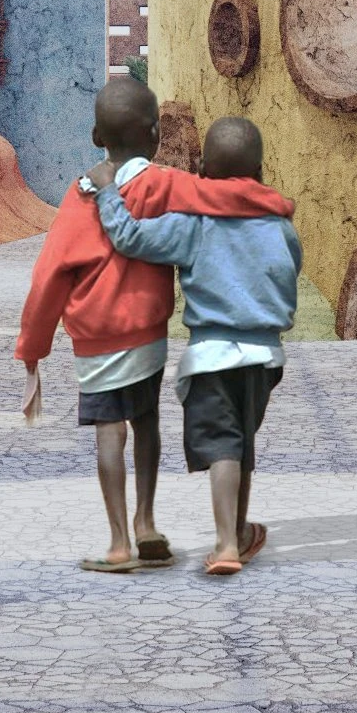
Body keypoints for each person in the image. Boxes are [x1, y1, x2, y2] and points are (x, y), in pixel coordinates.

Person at [94, 116, 301, 577]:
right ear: (260, 171)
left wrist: (108, 192)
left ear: (203, 168)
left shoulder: (195, 223)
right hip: (265, 357)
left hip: (212, 356)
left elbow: (129, 238)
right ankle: (242, 532)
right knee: (242, 443)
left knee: (224, 447)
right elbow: (289, 270)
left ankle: (226, 543)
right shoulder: (279, 225)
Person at [15, 79, 179, 572]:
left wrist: (32, 354)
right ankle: (147, 523)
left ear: (94, 135)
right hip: (149, 336)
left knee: (111, 433)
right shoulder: (160, 186)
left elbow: (50, 275)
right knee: (147, 422)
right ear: (155, 136)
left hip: (97, 344)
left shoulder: (81, 196)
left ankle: (118, 544)